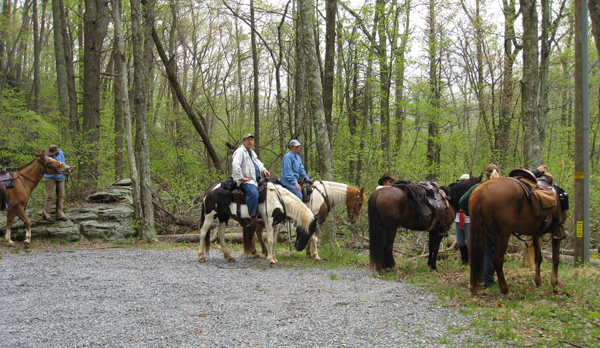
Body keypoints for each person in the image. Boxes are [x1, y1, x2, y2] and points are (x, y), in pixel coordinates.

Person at [232, 133, 271, 226]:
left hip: (255, 179)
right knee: (253, 193)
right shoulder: (240, 151)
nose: (250, 142)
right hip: (245, 181)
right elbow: (235, 165)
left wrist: (264, 170)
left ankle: (264, 211)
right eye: (248, 140)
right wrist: (241, 177)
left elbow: (258, 163)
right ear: (244, 141)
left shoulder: (252, 152)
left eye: (251, 140)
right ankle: (253, 215)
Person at [42, 144, 72, 222]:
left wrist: (67, 169)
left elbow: (63, 163)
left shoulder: (61, 153)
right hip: (50, 177)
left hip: (60, 176)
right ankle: (46, 213)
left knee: (61, 195)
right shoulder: (47, 158)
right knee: (51, 196)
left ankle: (59, 213)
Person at [455, 174, 471, 265]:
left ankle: (473, 259)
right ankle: (464, 261)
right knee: (460, 241)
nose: (461, 183)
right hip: (458, 219)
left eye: (463, 181)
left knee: (470, 241)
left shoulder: (470, 192)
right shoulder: (458, 192)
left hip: (468, 219)